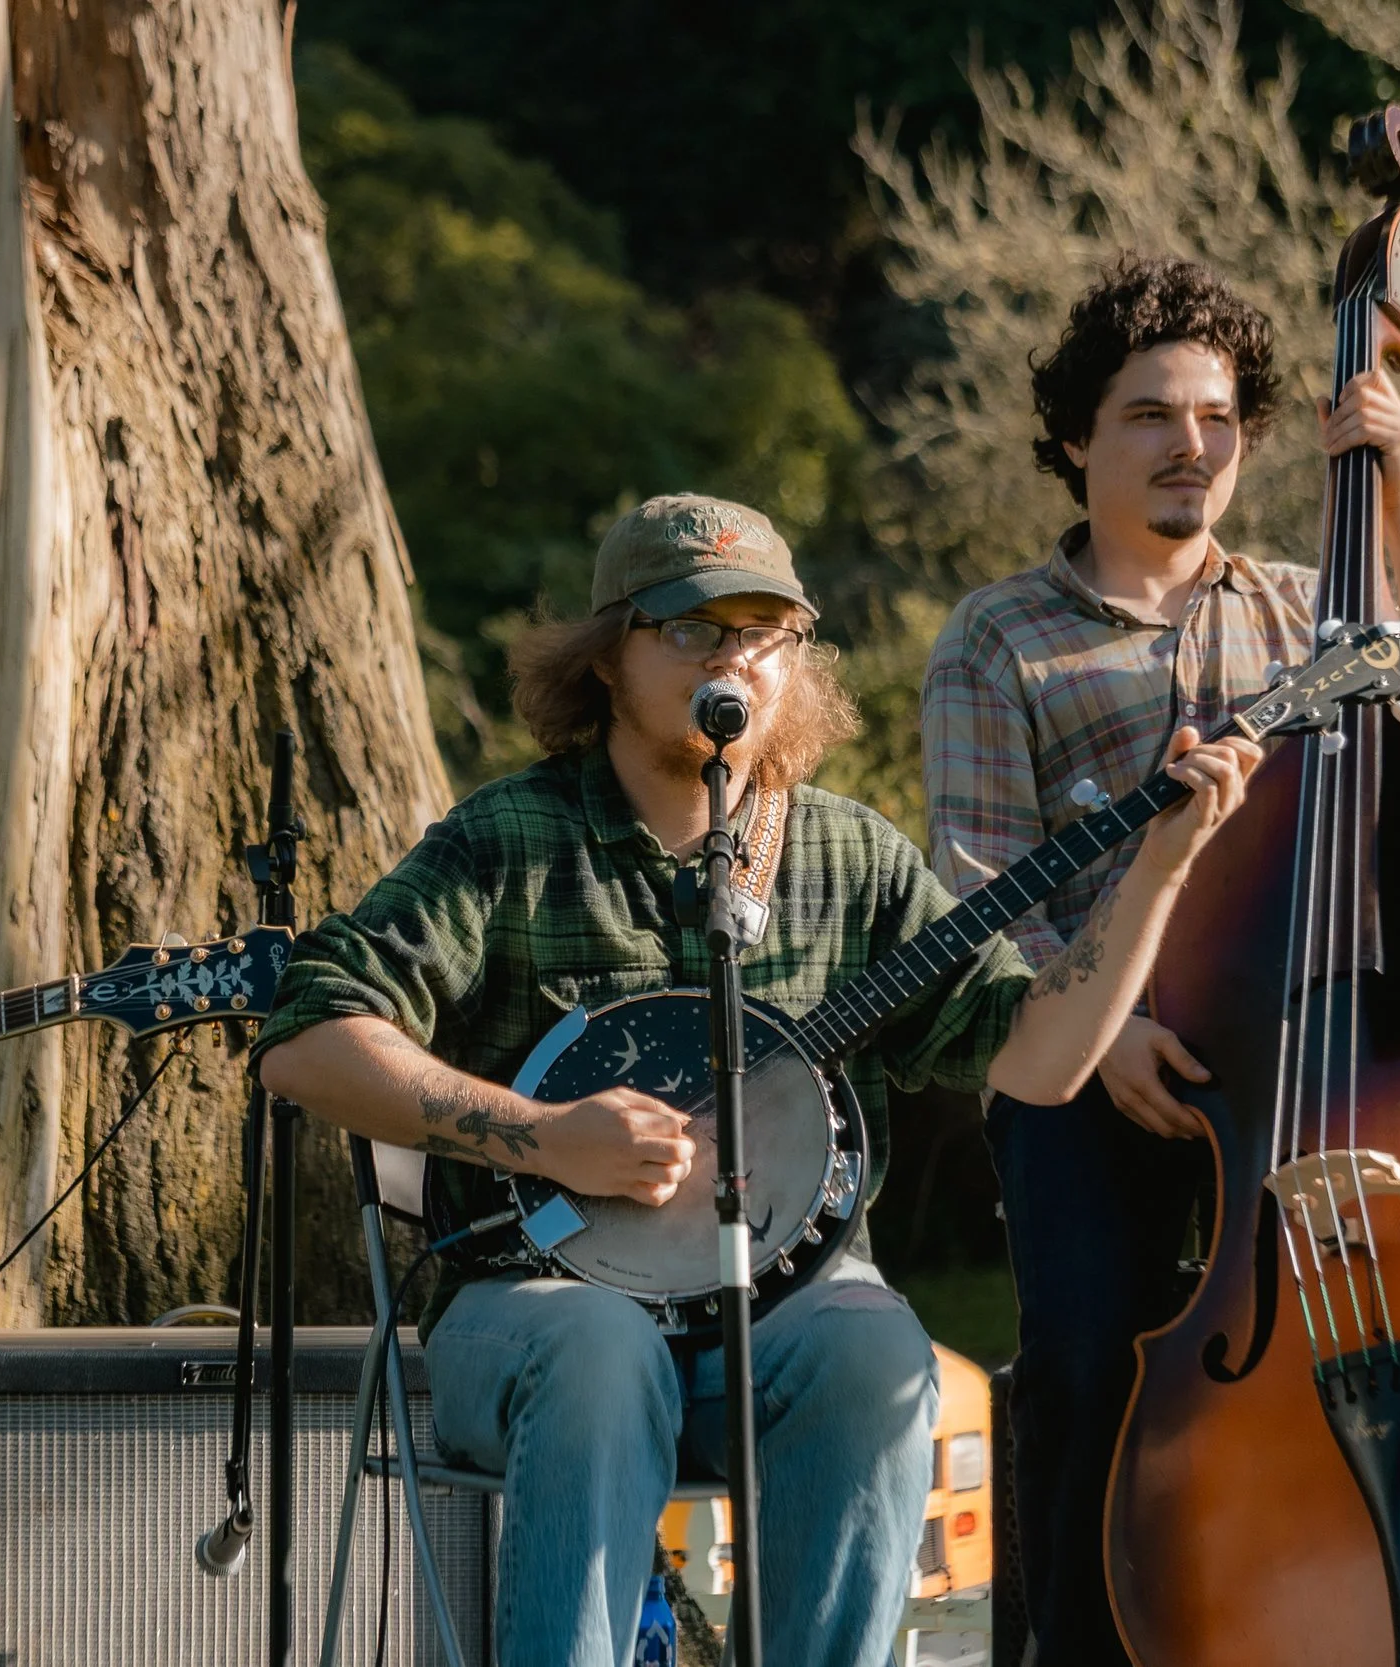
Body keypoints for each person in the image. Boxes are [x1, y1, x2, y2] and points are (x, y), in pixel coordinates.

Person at [255, 492, 1265, 1667]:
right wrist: (540, 1134)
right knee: (598, 1350)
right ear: (606, 657)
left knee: (879, 1354)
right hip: (531, 1310)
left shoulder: (850, 856)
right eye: (691, 627)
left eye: (762, 629)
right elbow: (306, 1035)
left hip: (783, 1312)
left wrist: (1159, 868)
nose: (732, 655)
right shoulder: (508, 841)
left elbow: (1040, 1061)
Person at [919, 256, 1400, 1664]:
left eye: (1217, 417)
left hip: (1319, 1066)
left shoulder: (1317, 606)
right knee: (1091, 1355)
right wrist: (1105, 1027)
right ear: (1076, 439)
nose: (1191, 444)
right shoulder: (998, 638)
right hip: (1096, 1066)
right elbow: (980, 888)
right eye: (1149, 415)